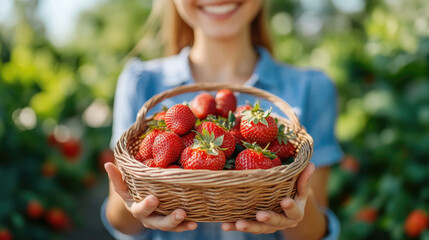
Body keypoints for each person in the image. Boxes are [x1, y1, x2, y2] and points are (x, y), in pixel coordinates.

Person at [102, 0, 343, 239]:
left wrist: (292, 201)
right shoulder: (140, 82)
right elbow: (122, 221)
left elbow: (314, 230)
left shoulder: (313, 88)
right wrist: (131, 205)